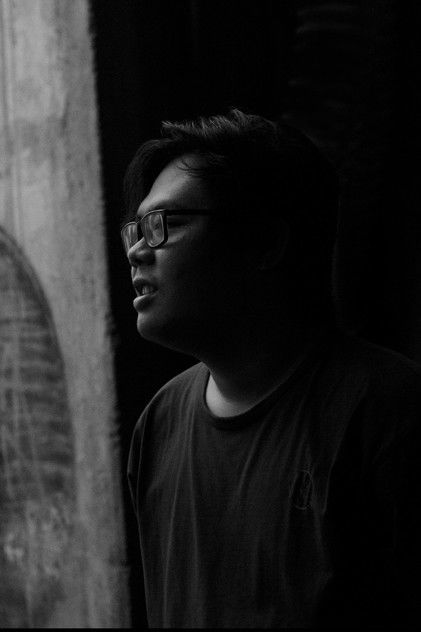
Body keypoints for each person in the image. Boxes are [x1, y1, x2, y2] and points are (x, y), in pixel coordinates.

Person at [122, 109, 421, 628]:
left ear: (264, 242)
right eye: (136, 228)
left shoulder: (389, 415)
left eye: (165, 225)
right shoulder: (159, 424)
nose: (136, 250)